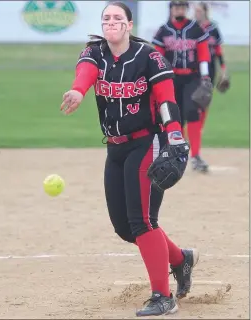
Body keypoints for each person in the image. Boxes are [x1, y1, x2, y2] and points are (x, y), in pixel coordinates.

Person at [60, 1, 198, 317]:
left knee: (142, 220)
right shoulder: (94, 52)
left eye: (117, 17)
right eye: (106, 17)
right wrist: (78, 91)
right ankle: (180, 259)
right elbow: (87, 72)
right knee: (125, 228)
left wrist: (175, 136)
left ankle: (163, 297)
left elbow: (166, 100)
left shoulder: (148, 57)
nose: (111, 22)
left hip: (145, 143)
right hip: (115, 147)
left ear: (129, 24)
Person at [152, 0, 212, 173]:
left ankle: (196, 155)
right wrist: (157, 77)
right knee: (174, 115)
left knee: (192, 111)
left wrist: (205, 76)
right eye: (176, 6)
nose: (179, 9)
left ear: (187, 9)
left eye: (182, 7)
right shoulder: (164, 30)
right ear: (171, 9)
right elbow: (157, 56)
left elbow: (203, 53)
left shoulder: (196, 29)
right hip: (171, 78)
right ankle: (179, 153)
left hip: (192, 76)